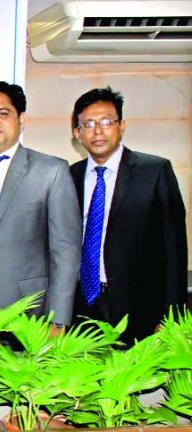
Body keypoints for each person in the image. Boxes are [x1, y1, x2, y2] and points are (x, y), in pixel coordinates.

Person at [0, 80, 81, 332]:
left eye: (3, 113)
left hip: (32, 315)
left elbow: (65, 251)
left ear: (21, 119)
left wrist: (58, 319)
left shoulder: (51, 171)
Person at [69, 87, 188, 344]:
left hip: (140, 307)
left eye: (106, 122)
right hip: (82, 305)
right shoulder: (70, 176)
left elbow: (174, 249)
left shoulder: (154, 171)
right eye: (88, 124)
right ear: (77, 133)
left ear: (121, 125)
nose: (97, 131)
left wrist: (172, 318)